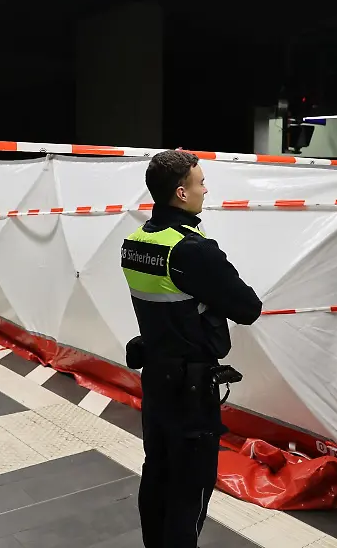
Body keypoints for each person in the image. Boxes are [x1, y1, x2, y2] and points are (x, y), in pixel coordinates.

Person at [120, 150, 262, 548]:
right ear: (181, 193)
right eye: (200, 182)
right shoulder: (192, 250)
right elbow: (248, 308)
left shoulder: (134, 242)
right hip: (192, 390)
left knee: (158, 473)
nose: (205, 189)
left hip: (156, 381)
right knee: (191, 484)